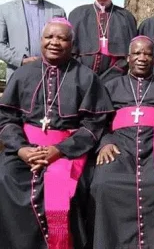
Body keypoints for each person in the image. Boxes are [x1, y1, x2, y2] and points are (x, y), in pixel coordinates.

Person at [0, 18, 112, 249]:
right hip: (25, 149)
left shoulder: (86, 77)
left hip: (67, 152)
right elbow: (7, 117)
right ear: (41, 41)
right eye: (49, 37)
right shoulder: (23, 74)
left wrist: (59, 150)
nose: (54, 42)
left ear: (72, 44)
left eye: (61, 38)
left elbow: (94, 124)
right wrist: (21, 149)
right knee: (5, 177)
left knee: (72, 189)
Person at [89, 36, 154, 249]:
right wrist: (105, 142)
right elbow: (99, 120)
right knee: (103, 184)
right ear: (128, 57)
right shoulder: (112, 86)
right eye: (137, 53)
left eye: (147, 54)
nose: (142, 58)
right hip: (119, 148)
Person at [68, 0, 137, 82]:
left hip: (115, 80)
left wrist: (110, 77)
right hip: (81, 78)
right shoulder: (77, 14)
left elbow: (128, 56)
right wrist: (86, 75)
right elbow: (71, 53)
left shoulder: (126, 17)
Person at [0, 0, 65, 82]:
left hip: (51, 74)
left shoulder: (57, 11)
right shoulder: (5, 10)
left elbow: (65, 41)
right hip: (18, 73)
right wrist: (21, 60)